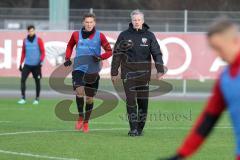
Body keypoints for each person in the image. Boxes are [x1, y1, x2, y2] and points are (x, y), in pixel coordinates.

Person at [161, 19, 240, 160]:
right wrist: (180, 155)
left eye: (219, 48)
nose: (217, 55)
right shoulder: (225, 79)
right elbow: (207, 120)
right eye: (213, 49)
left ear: (236, 41)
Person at [111, 10, 164, 137]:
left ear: (143, 21)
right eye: (134, 20)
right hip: (128, 73)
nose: (136, 22)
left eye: (139, 20)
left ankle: (140, 128)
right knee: (130, 101)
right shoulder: (124, 35)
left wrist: (160, 69)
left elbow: (156, 53)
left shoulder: (150, 36)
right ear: (131, 20)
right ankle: (133, 129)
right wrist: (114, 71)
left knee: (143, 103)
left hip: (144, 74)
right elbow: (117, 55)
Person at [64, 13, 112, 133]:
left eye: (91, 22)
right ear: (83, 23)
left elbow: (109, 51)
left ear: (94, 23)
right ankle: (80, 116)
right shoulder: (76, 34)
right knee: (79, 91)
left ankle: (86, 122)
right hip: (78, 68)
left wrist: (100, 57)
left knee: (89, 98)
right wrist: (67, 57)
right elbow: (70, 45)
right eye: (87, 22)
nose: (89, 24)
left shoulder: (100, 36)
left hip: (93, 70)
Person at [18, 25, 45, 105]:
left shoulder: (39, 40)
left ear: (34, 31)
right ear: (28, 31)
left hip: (36, 65)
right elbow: (23, 52)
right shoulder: (25, 40)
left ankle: (37, 99)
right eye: (29, 31)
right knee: (22, 80)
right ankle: (23, 98)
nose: (31, 32)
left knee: (37, 81)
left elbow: (43, 52)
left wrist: (41, 61)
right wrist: (20, 63)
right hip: (27, 64)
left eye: (32, 31)